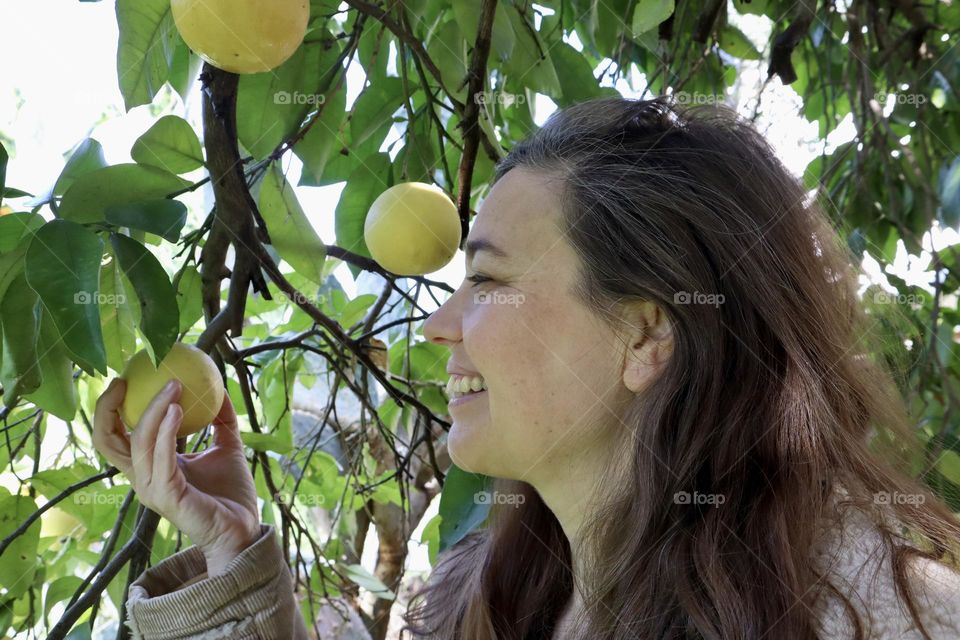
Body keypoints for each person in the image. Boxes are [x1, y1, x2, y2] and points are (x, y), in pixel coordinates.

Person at [94, 96, 960, 640]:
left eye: (486, 280)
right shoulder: (494, 597)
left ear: (647, 337)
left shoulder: (885, 615)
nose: (437, 326)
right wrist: (232, 548)